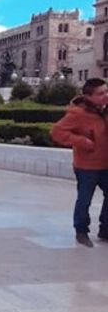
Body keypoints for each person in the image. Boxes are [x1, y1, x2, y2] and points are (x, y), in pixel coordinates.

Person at [50, 77, 108, 248]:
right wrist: (81, 141)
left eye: (106, 91)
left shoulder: (105, 110)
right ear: (88, 96)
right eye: (101, 93)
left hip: (106, 163)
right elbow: (57, 132)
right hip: (86, 166)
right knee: (84, 199)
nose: (105, 95)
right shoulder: (78, 113)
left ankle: (105, 229)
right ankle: (81, 231)